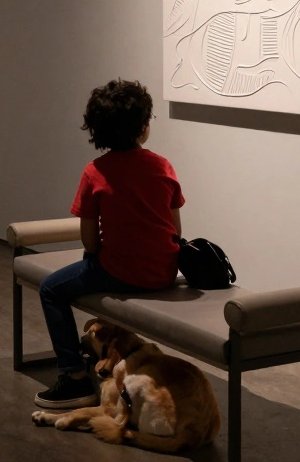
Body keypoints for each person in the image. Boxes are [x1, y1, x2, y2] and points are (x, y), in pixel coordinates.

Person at [34, 78, 185, 409]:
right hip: (164, 271)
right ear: (143, 127)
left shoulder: (95, 172)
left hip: (120, 271)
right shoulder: (163, 166)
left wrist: (106, 256)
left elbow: (89, 240)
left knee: (49, 289)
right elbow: (175, 229)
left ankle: (73, 378)